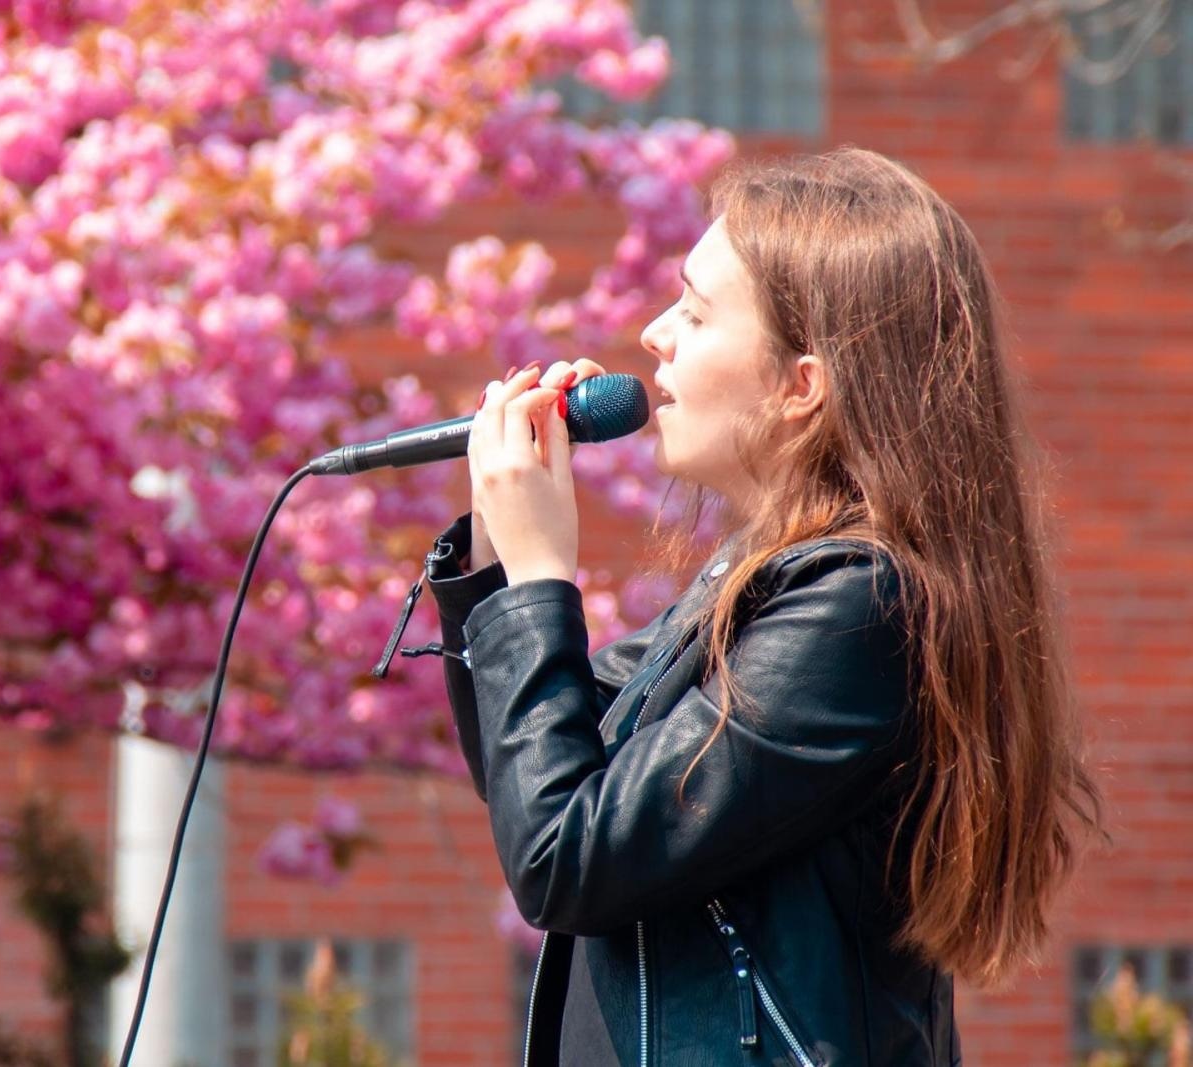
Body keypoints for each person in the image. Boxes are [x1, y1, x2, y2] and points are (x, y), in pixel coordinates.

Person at [422, 148, 1103, 1066]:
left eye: (696, 313)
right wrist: (498, 561)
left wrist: (545, 578)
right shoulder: (758, 584)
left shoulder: (863, 609)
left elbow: (567, 856)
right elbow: (543, 764)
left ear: (802, 387)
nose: (657, 334)